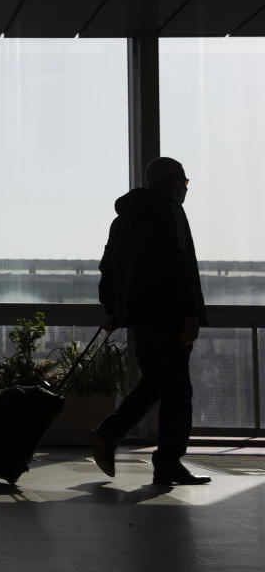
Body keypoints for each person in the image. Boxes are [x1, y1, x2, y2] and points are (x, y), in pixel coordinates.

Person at [91, 156, 210, 486]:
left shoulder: (124, 219)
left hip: (140, 318)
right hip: (169, 315)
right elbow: (178, 264)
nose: (185, 189)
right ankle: (168, 463)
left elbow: (108, 266)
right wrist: (189, 312)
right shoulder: (169, 211)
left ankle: (109, 433)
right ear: (172, 182)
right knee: (177, 393)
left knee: (155, 382)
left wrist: (113, 310)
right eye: (184, 182)